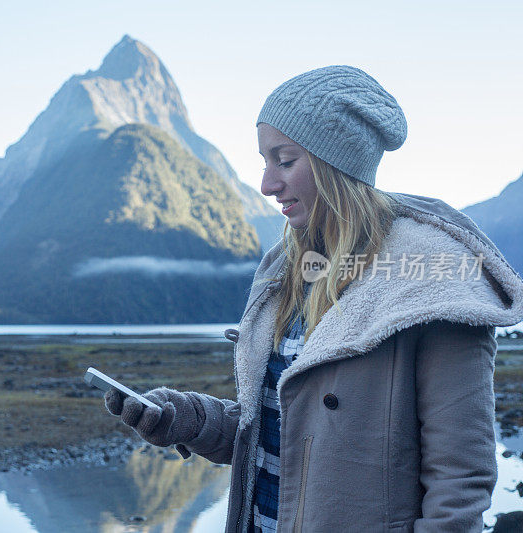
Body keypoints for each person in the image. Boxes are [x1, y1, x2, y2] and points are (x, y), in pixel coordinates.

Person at [102, 65, 523, 532]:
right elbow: (280, 434)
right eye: (265, 161)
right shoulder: (287, 270)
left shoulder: (431, 285)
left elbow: (460, 482)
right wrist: (189, 418)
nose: (267, 184)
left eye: (284, 160)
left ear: (335, 163)